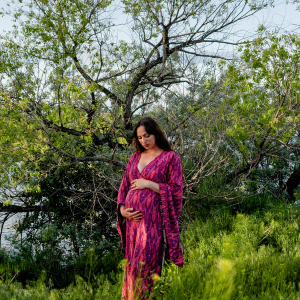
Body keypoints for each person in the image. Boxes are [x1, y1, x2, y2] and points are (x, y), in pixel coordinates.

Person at [117, 117, 184, 300]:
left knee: (146, 265)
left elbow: (176, 189)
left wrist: (149, 184)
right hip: (132, 225)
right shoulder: (134, 157)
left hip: (151, 223)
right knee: (132, 267)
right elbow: (124, 186)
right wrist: (122, 210)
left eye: (147, 135)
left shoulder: (171, 158)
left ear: (156, 133)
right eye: (139, 137)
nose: (143, 140)